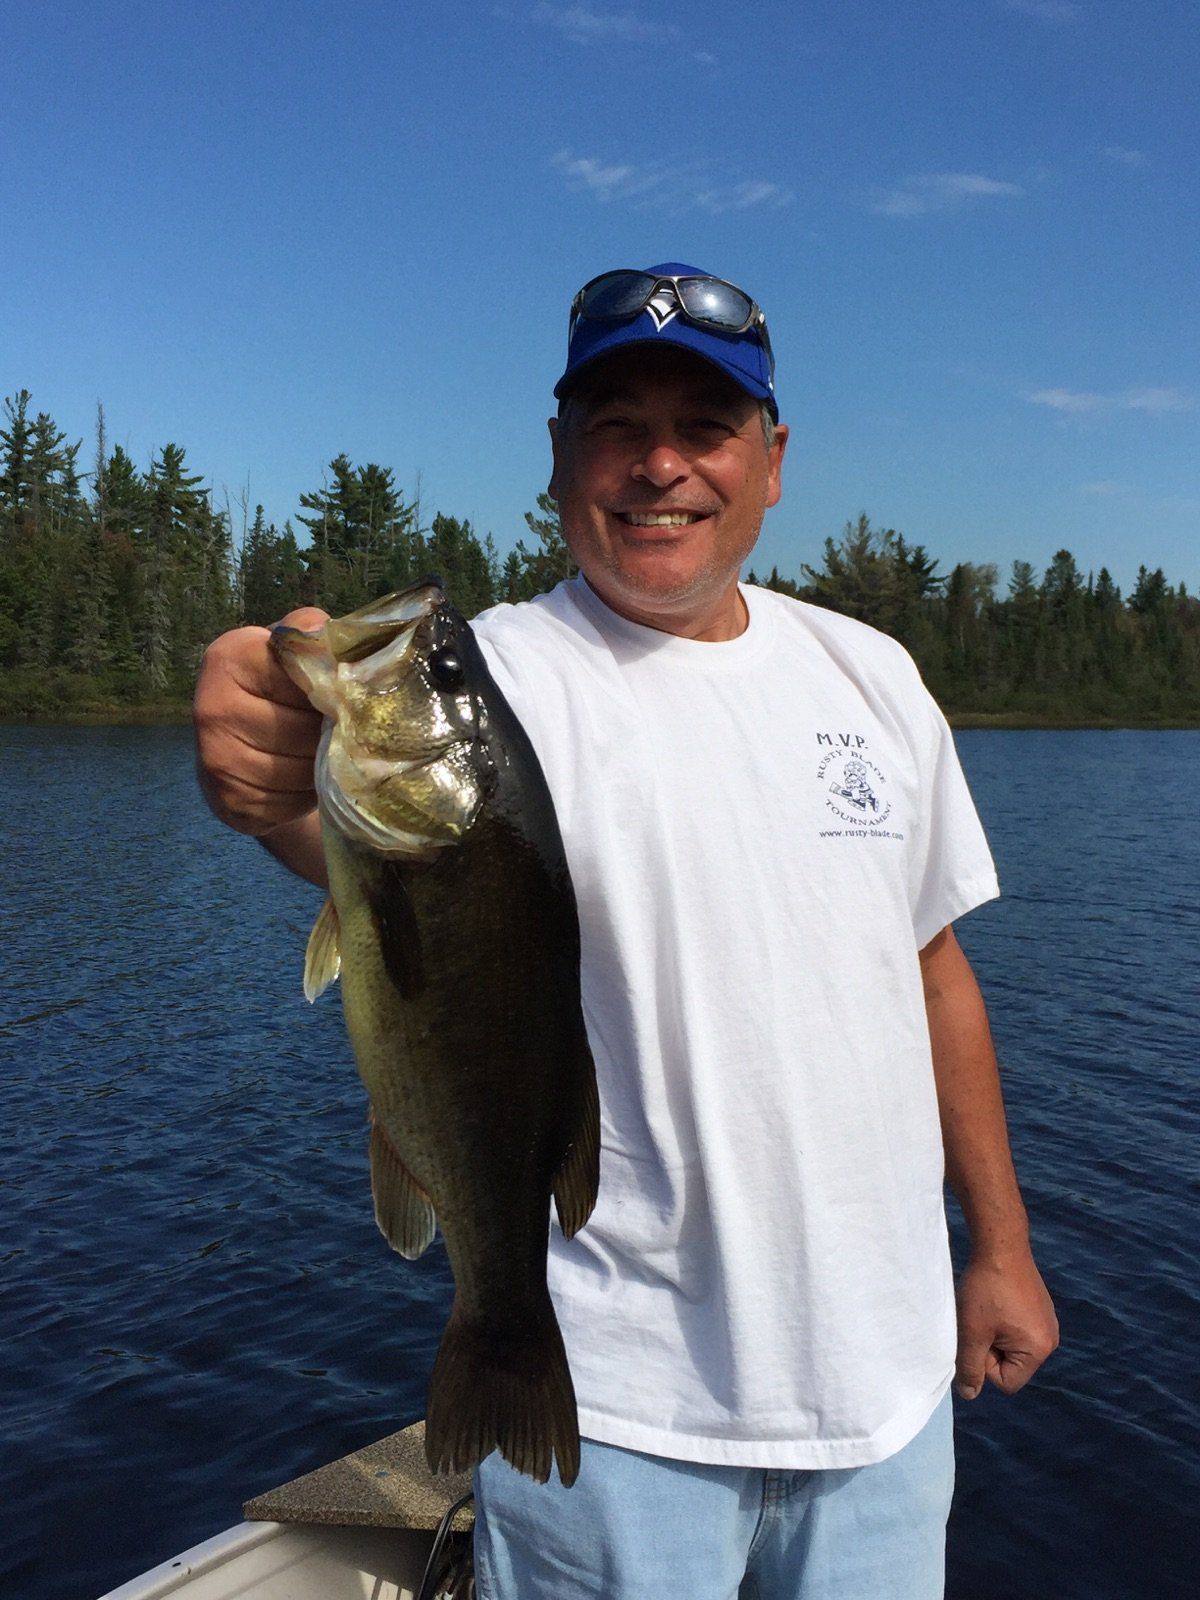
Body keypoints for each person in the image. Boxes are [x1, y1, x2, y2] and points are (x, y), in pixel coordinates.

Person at [193, 262, 1059, 1598]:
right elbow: (375, 852)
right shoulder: (501, 679)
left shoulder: (873, 676)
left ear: (771, 463)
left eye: (705, 427)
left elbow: (935, 977)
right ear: (559, 459)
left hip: (891, 1403)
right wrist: (262, 769)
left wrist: (998, 1248)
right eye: (616, 425)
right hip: (615, 1419)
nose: (662, 466)